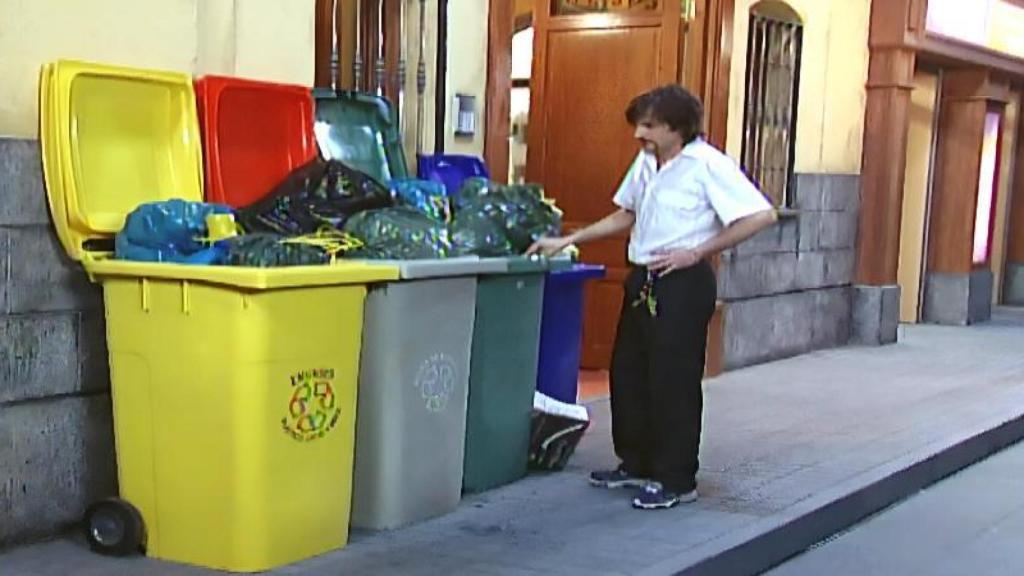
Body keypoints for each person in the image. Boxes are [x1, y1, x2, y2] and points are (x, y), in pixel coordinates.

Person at [527, 84, 776, 510]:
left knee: (672, 380)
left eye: (649, 126)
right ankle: (636, 462)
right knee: (629, 373)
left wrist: (697, 251)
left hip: (683, 281)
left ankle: (676, 477)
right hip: (643, 278)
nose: (638, 135)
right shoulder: (646, 163)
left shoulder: (706, 165)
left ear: (677, 127)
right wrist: (570, 239)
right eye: (638, 125)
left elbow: (761, 214)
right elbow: (627, 213)